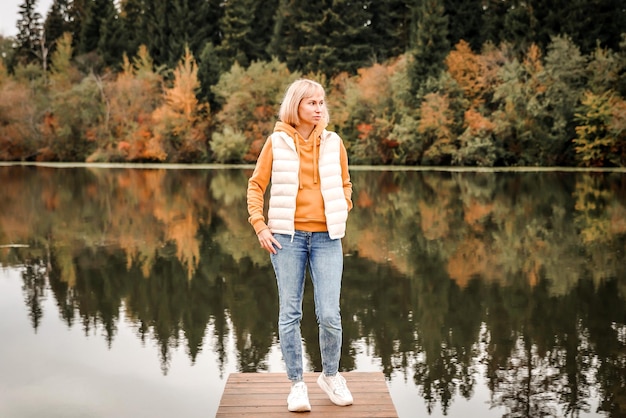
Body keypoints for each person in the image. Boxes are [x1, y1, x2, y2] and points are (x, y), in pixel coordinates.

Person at [246, 79, 354, 412]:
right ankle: (297, 385)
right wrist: (260, 225)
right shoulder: (276, 142)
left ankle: (331, 376)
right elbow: (255, 186)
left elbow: (346, 184)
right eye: (312, 103)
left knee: (329, 314)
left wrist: (343, 206)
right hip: (286, 239)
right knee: (290, 314)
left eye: (322, 103)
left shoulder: (335, 142)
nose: (320, 109)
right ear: (296, 106)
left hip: (327, 239)